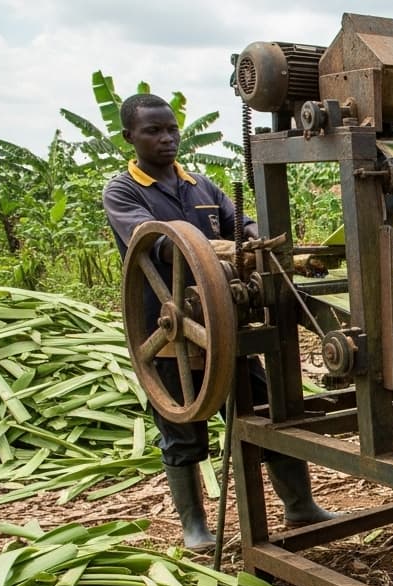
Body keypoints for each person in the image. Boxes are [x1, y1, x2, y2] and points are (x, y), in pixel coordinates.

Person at [103, 93, 335, 550]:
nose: (167, 138)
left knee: (269, 412)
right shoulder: (123, 192)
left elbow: (240, 223)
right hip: (169, 330)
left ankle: (300, 505)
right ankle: (194, 527)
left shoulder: (201, 186)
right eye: (153, 131)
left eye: (171, 129)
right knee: (181, 425)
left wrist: (270, 245)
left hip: (226, 325)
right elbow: (157, 245)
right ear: (130, 137)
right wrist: (229, 251)